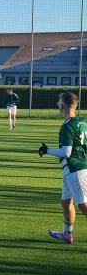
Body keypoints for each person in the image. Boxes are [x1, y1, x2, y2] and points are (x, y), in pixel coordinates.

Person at [39, 92, 87, 244]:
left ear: (62, 106)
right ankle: (67, 235)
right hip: (73, 169)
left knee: (83, 205)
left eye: (58, 102)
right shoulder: (82, 121)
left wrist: (47, 151)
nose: (57, 105)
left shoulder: (67, 125)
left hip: (74, 168)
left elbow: (66, 152)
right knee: (66, 202)